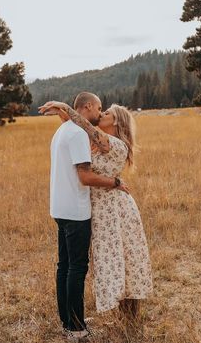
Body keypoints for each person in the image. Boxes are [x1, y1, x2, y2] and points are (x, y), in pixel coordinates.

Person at [39, 95, 153, 323]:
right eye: (101, 110)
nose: (102, 114)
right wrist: (66, 115)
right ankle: (116, 318)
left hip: (115, 210)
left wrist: (66, 108)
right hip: (100, 209)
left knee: (122, 260)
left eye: (107, 113)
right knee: (110, 261)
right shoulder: (97, 143)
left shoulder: (115, 144)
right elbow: (78, 132)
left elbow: (85, 125)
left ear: (117, 123)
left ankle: (127, 319)